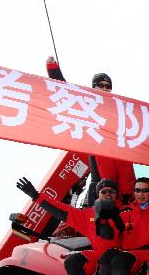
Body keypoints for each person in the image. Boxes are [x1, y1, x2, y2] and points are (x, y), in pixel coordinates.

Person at [16, 176, 125, 275]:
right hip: (100, 254)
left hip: (123, 255)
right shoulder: (88, 215)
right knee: (72, 262)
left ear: (117, 195)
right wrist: (36, 196)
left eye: (111, 191)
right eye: (104, 192)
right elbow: (61, 210)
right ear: (97, 195)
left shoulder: (126, 212)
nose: (108, 194)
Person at [45, 57, 136, 202]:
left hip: (121, 157)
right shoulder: (87, 106)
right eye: (101, 85)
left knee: (126, 192)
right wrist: (53, 68)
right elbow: (65, 91)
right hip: (100, 157)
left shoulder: (120, 107)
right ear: (93, 87)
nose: (105, 88)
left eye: (108, 86)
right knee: (103, 190)